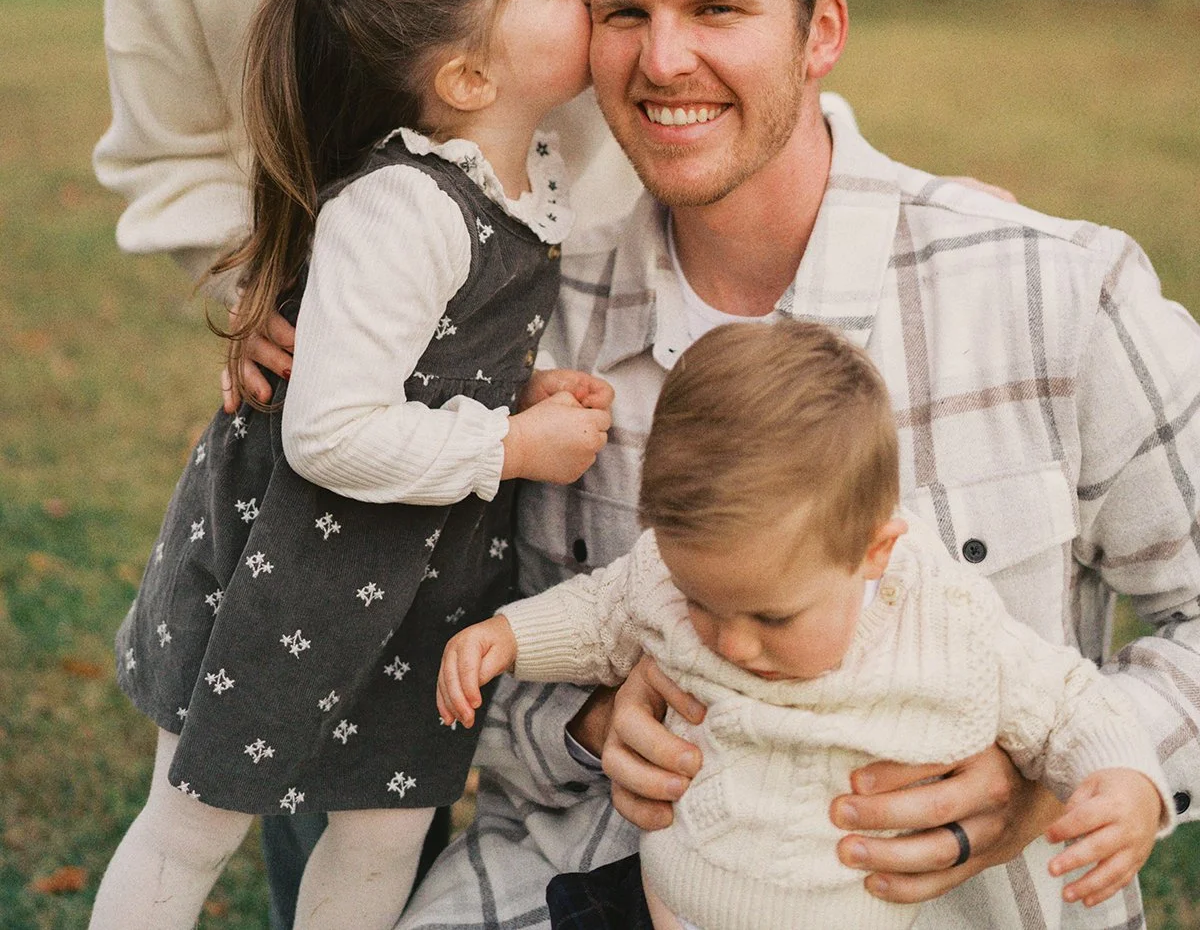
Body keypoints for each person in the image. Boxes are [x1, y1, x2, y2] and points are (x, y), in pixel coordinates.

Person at [399, 0, 1200, 930]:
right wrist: (580, 725)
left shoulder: (1052, 288)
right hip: (588, 874)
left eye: (717, 11)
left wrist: (1061, 776)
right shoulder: (524, 316)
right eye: (625, 14)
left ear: (822, 30)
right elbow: (416, 644)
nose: (662, 61)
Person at [90, 0, 692, 924]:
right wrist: (248, 293)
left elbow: (721, 34)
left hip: (614, 361)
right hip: (366, 426)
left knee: (649, 734)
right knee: (348, 783)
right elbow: (164, 161)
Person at [88, 0, 613, 930]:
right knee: (195, 822)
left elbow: (431, 360)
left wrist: (518, 388)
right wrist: (510, 443)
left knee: (384, 831)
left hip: (415, 583)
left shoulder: (518, 177)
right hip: (292, 571)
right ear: (469, 75)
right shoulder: (403, 205)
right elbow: (327, 432)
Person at [439, 319, 1170, 929]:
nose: (731, 641)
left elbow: (1069, 704)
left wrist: (1123, 778)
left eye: (774, 616)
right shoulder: (670, 578)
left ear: (873, 551)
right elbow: (603, 612)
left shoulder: (943, 622)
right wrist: (507, 637)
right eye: (702, 603)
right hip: (661, 905)